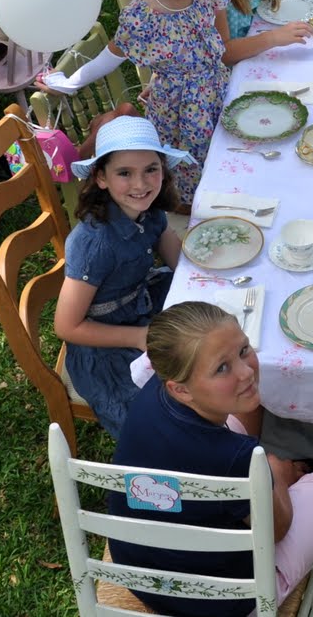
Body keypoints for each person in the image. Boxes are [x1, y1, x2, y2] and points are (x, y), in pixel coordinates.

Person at [108, 300, 313, 617]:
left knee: (251, 407)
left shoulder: (154, 393)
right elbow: (277, 529)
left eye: (243, 350)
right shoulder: (236, 458)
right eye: (222, 368)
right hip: (228, 600)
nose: (247, 371)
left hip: (141, 571)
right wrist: (277, 474)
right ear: (181, 389)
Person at [40, 0, 234, 209]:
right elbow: (113, 54)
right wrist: (72, 82)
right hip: (179, 111)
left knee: (227, 159)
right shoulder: (141, 16)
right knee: (191, 172)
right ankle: (191, 213)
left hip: (216, 92)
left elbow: (219, 46)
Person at [54, 116, 188, 435]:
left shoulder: (149, 209)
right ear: (101, 177)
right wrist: (137, 338)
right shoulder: (94, 244)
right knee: (165, 412)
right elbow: (66, 325)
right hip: (106, 343)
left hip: (141, 302)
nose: (140, 185)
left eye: (150, 170)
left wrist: (196, 279)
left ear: (162, 169)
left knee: (215, 318)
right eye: (124, 173)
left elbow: (175, 256)